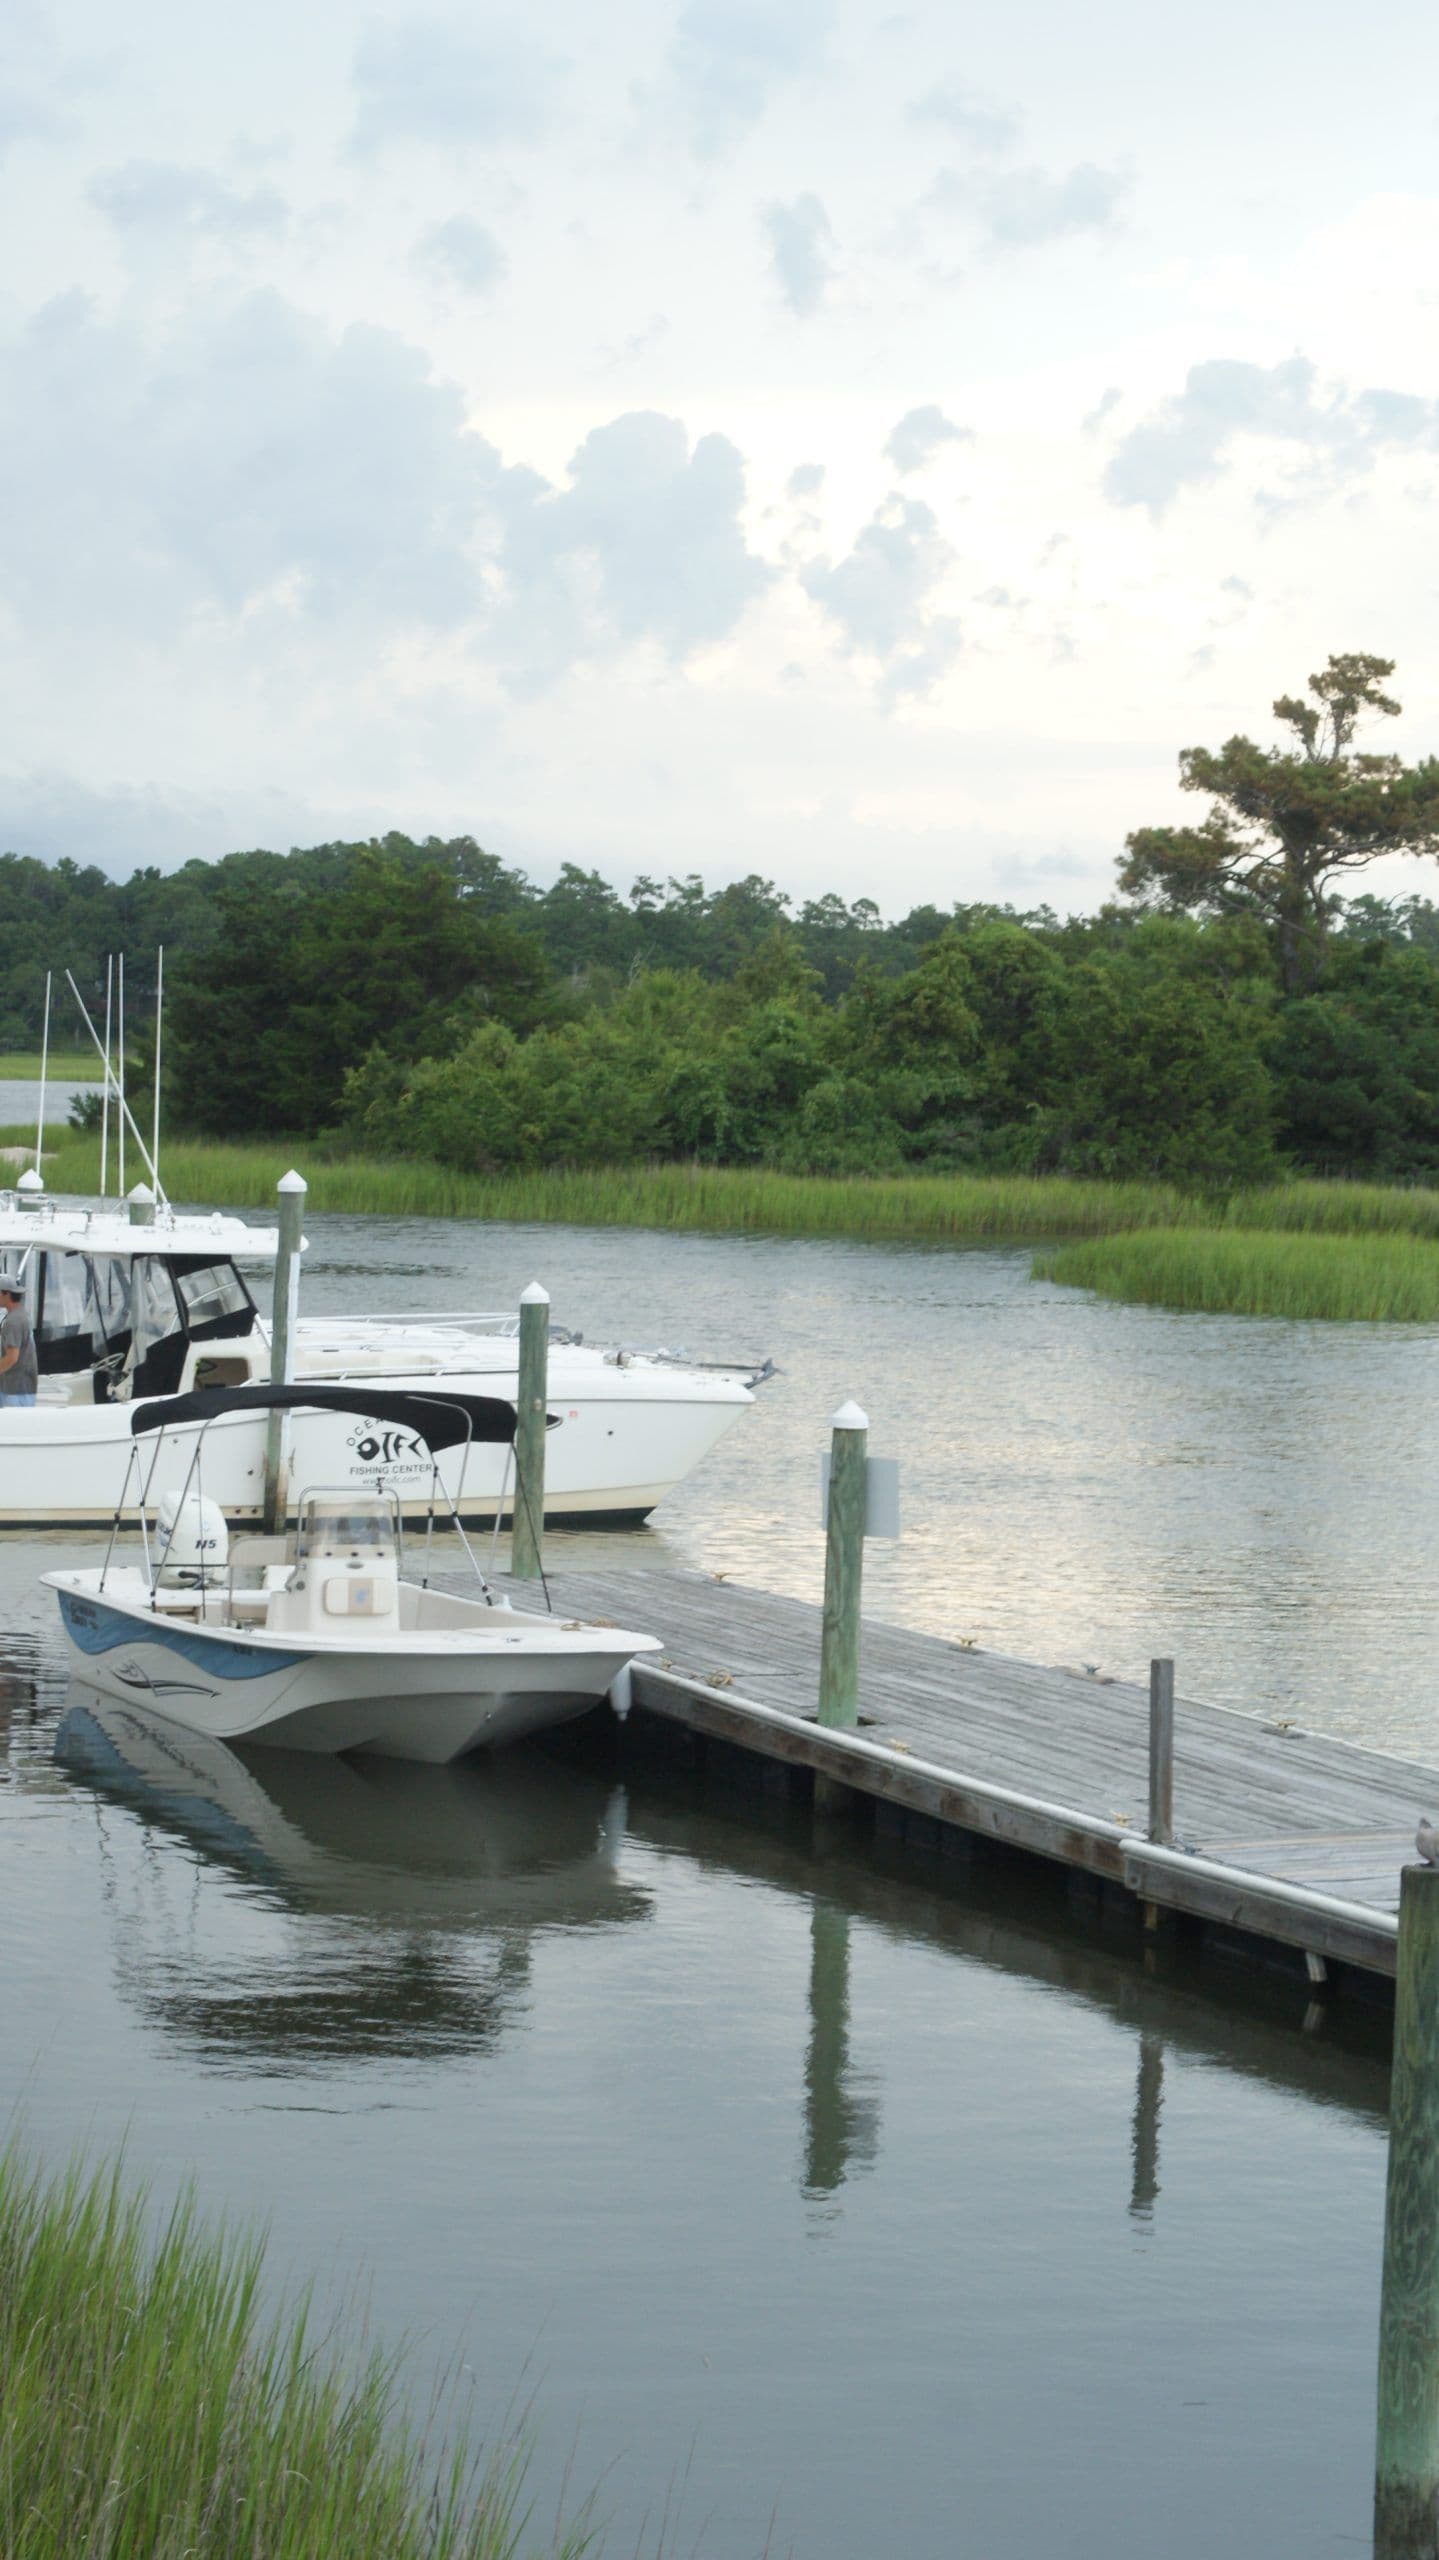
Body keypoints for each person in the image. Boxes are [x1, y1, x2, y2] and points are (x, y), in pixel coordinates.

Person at [0, 1275, 38, 1405]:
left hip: (15, 1390)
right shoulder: (22, 1315)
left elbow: (12, 1358)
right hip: (22, 1388)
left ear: (6, 1294)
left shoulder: (13, 1321)